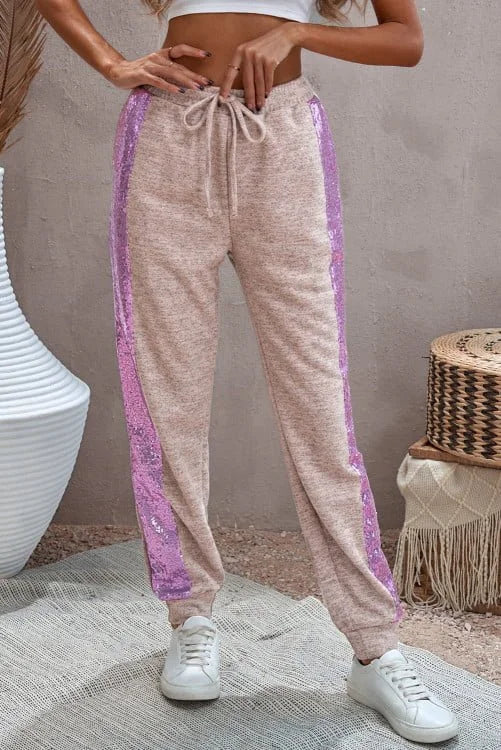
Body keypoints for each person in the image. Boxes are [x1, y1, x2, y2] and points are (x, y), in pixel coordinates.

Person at [36, 0, 458, 742]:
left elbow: (405, 39)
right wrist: (110, 61)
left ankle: (374, 648)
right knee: (167, 398)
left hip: (282, 139)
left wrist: (295, 31)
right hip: (169, 135)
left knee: (319, 409)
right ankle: (191, 618)